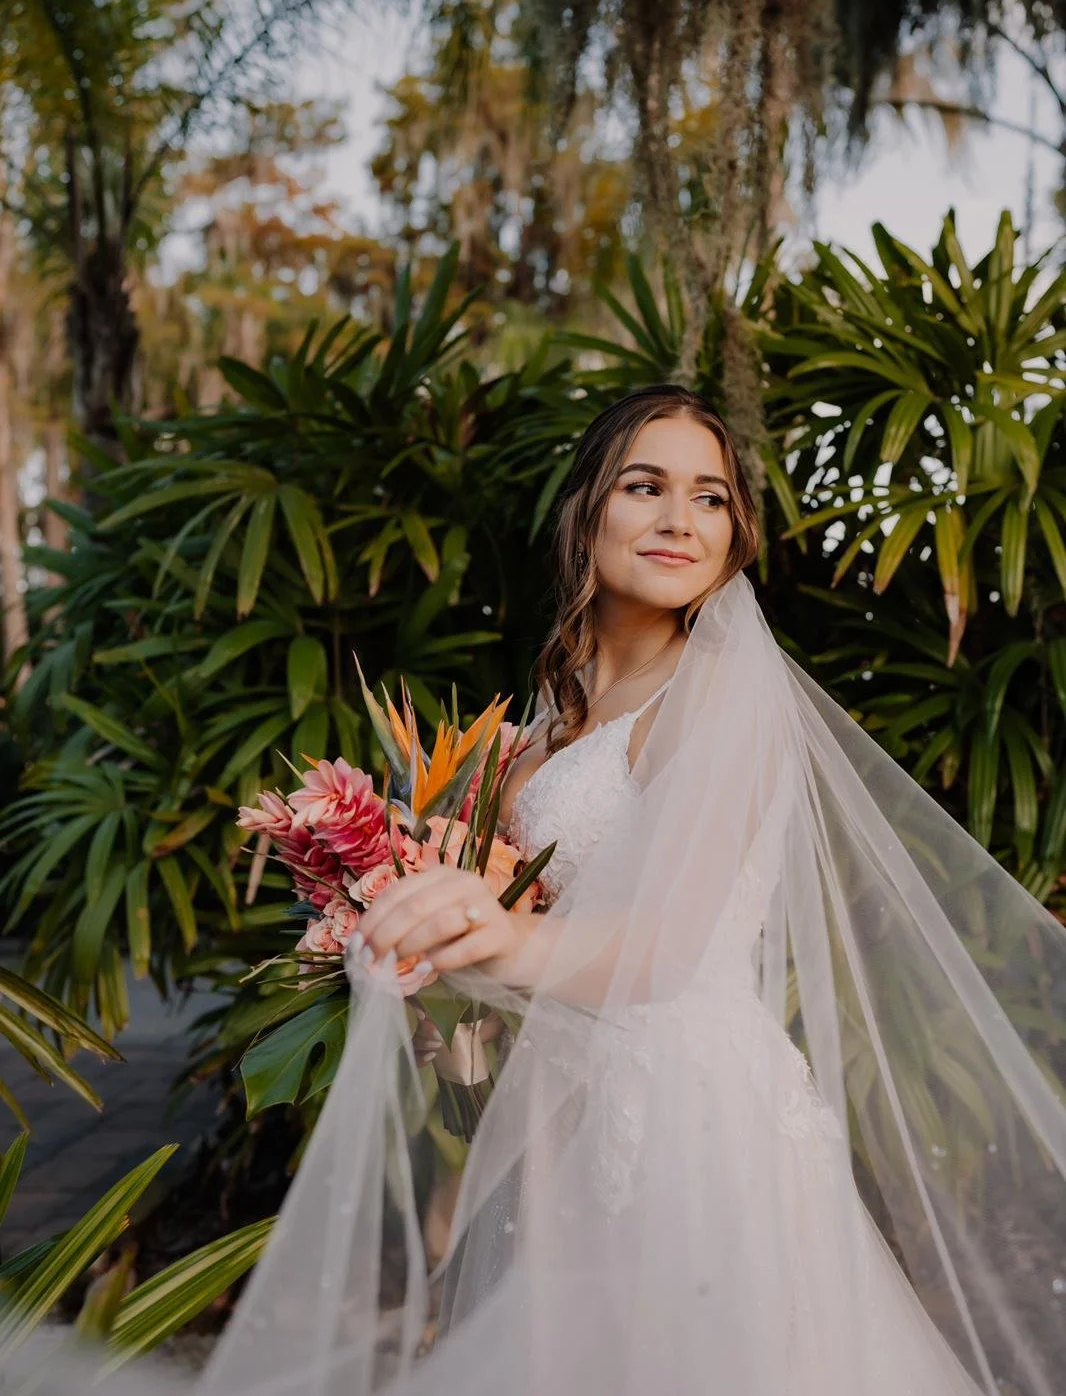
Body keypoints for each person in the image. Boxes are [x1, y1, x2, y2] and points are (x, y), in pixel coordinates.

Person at [13, 386, 1066, 1396]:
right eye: (644, 485)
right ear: (587, 510)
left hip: (690, 1109)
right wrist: (406, 935)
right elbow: (541, 921)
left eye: (710, 496)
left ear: (736, 535)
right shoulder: (545, 727)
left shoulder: (723, 697)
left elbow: (657, 948)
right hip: (564, 1104)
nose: (679, 518)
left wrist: (489, 939)